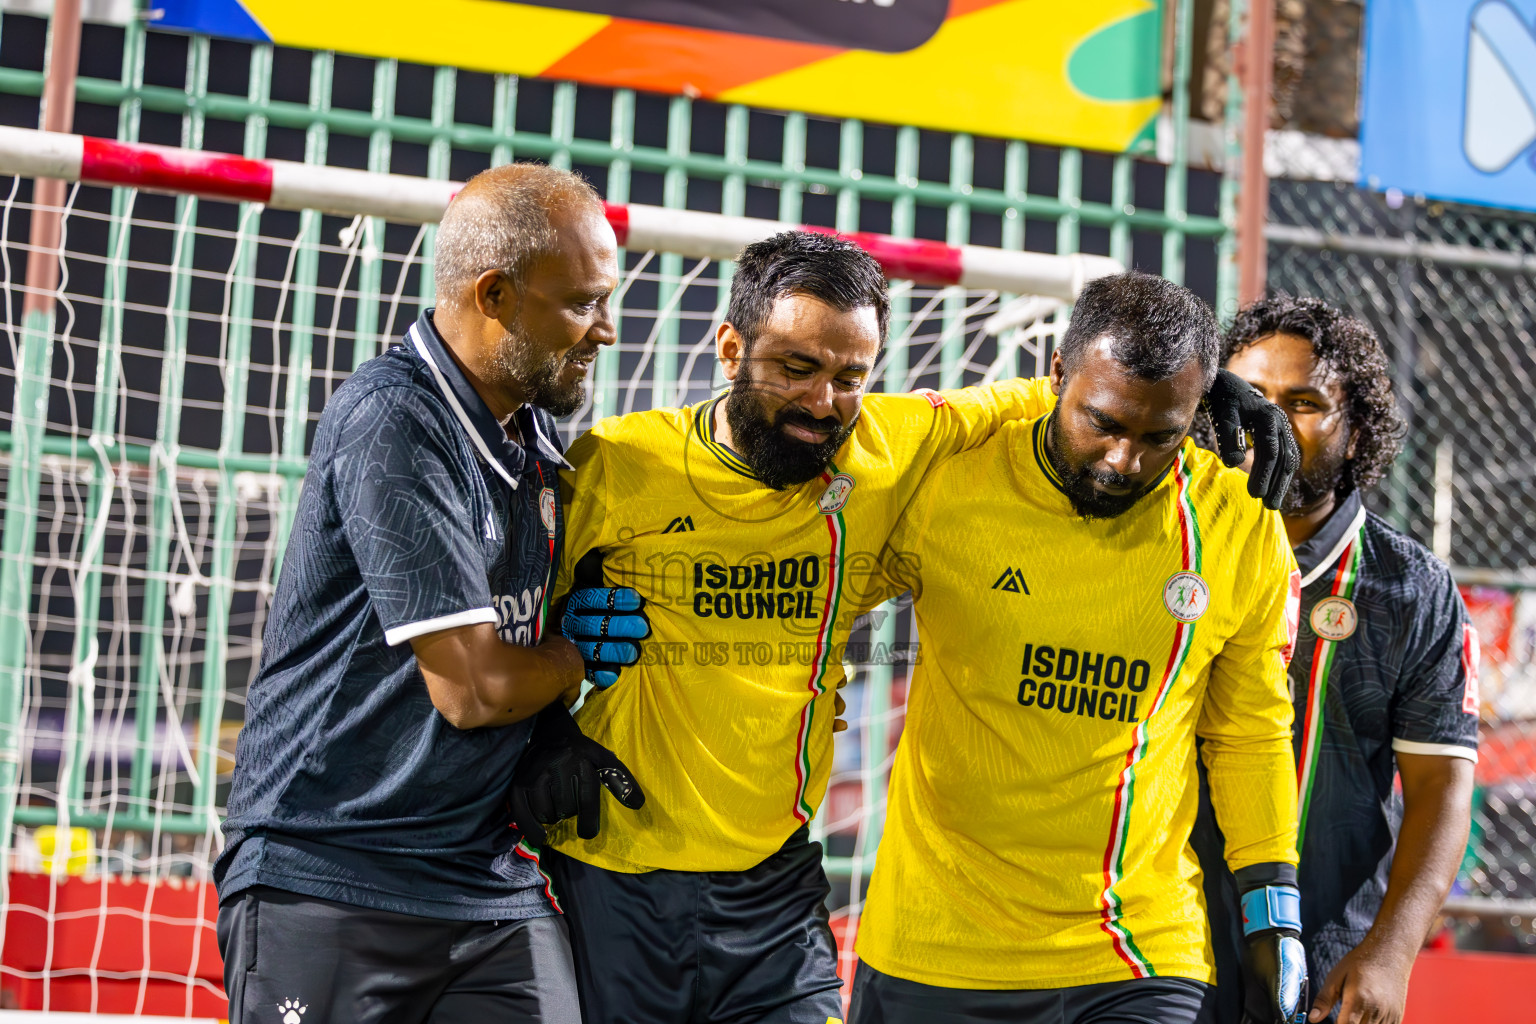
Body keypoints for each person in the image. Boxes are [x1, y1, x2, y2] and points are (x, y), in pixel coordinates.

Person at [510, 232, 1299, 1024]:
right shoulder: (618, 464)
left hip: (784, 891)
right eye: (795, 368)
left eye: (850, 377)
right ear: (729, 348)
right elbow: (504, 630)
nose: (822, 402)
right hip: (618, 872)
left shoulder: (882, 457)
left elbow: (1033, 402)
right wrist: (546, 720)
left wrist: (1194, 388)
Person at [214, 163, 642, 1023]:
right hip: (328, 870)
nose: (605, 330)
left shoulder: (532, 430)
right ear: (495, 294)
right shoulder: (394, 420)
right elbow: (475, 690)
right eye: (583, 302)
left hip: (482, 882)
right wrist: (576, 654)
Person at [843, 271, 1307, 1024]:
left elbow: (1249, 732)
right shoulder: (953, 479)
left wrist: (1273, 908)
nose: (1124, 459)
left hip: (1134, 950)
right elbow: (832, 507)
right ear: (1054, 375)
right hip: (934, 944)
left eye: (1161, 434)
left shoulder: (1236, 523)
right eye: (1103, 422)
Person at [1192, 295, 1478, 1024]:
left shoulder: (1409, 589)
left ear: (1356, 433)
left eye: (1305, 401)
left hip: (1323, 972)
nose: (1269, 420)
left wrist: (1392, 951)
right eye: (1249, 395)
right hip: (1158, 951)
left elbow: (1442, 788)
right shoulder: (1169, 544)